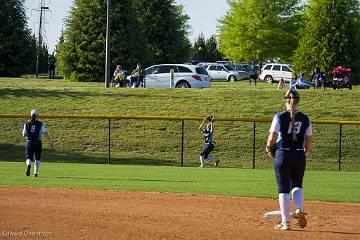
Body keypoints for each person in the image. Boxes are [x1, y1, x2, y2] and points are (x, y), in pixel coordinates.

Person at [266, 89, 313, 231]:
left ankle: (285, 223)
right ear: (298, 101)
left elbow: (272, 138)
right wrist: (303, 154)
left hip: (282, 154)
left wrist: (269, 149)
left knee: (283, 190)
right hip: (299, 154)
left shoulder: (279, 117)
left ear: (284, 100)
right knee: (297, 185)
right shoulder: (306, 118)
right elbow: (309, 142)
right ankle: (298, 209)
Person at [23, 109, 53, 177]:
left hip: (29, 142)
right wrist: (50, 141)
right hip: (37, 142)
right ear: (37, 116)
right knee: (37, 158)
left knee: (29, 157)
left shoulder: (26, 124)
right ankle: (35, 173)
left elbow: (24, 134)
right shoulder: (40, 124)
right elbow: (45, 133)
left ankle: (29, 165)